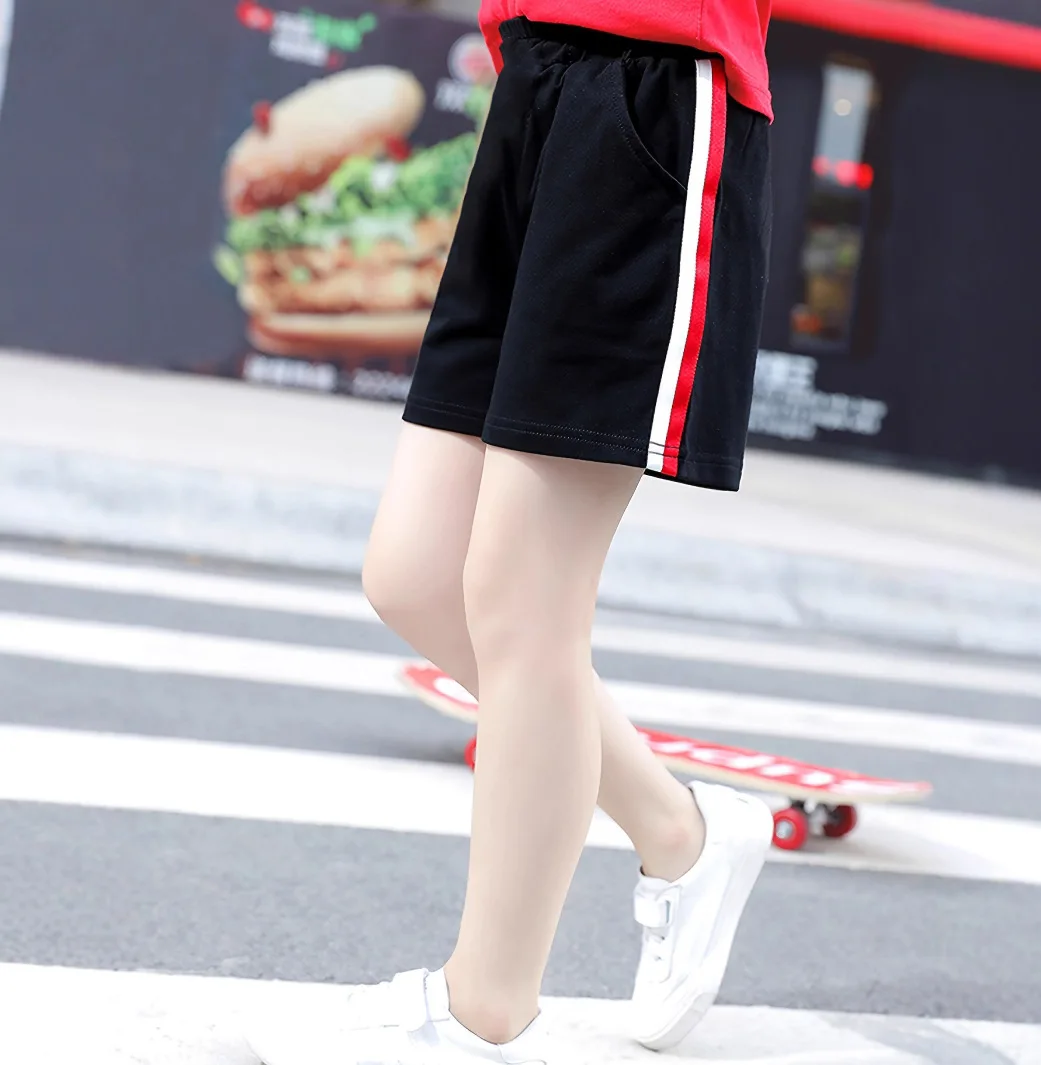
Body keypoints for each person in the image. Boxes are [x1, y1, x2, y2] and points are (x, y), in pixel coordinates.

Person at [247, 0, 774, 1060]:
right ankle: (681, 831)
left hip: (649, 92)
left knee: (523, 602)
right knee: (417, 576)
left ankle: (486, 1013)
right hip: (532, 83)